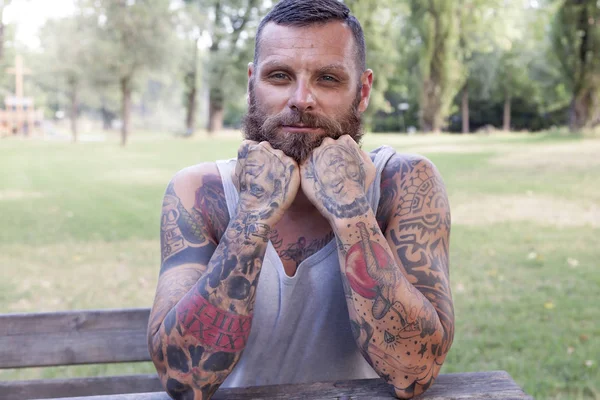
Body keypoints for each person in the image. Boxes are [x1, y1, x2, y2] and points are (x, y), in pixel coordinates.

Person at [147, 1, 454, 399]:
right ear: (251, 84)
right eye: (279, 76)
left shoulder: (407, 182)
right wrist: (254, 215)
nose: (301, 98)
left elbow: (414, 371)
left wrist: (349, 207)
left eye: (327, 78)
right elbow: (184, 380)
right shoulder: (198, 191)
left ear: (362, 91)